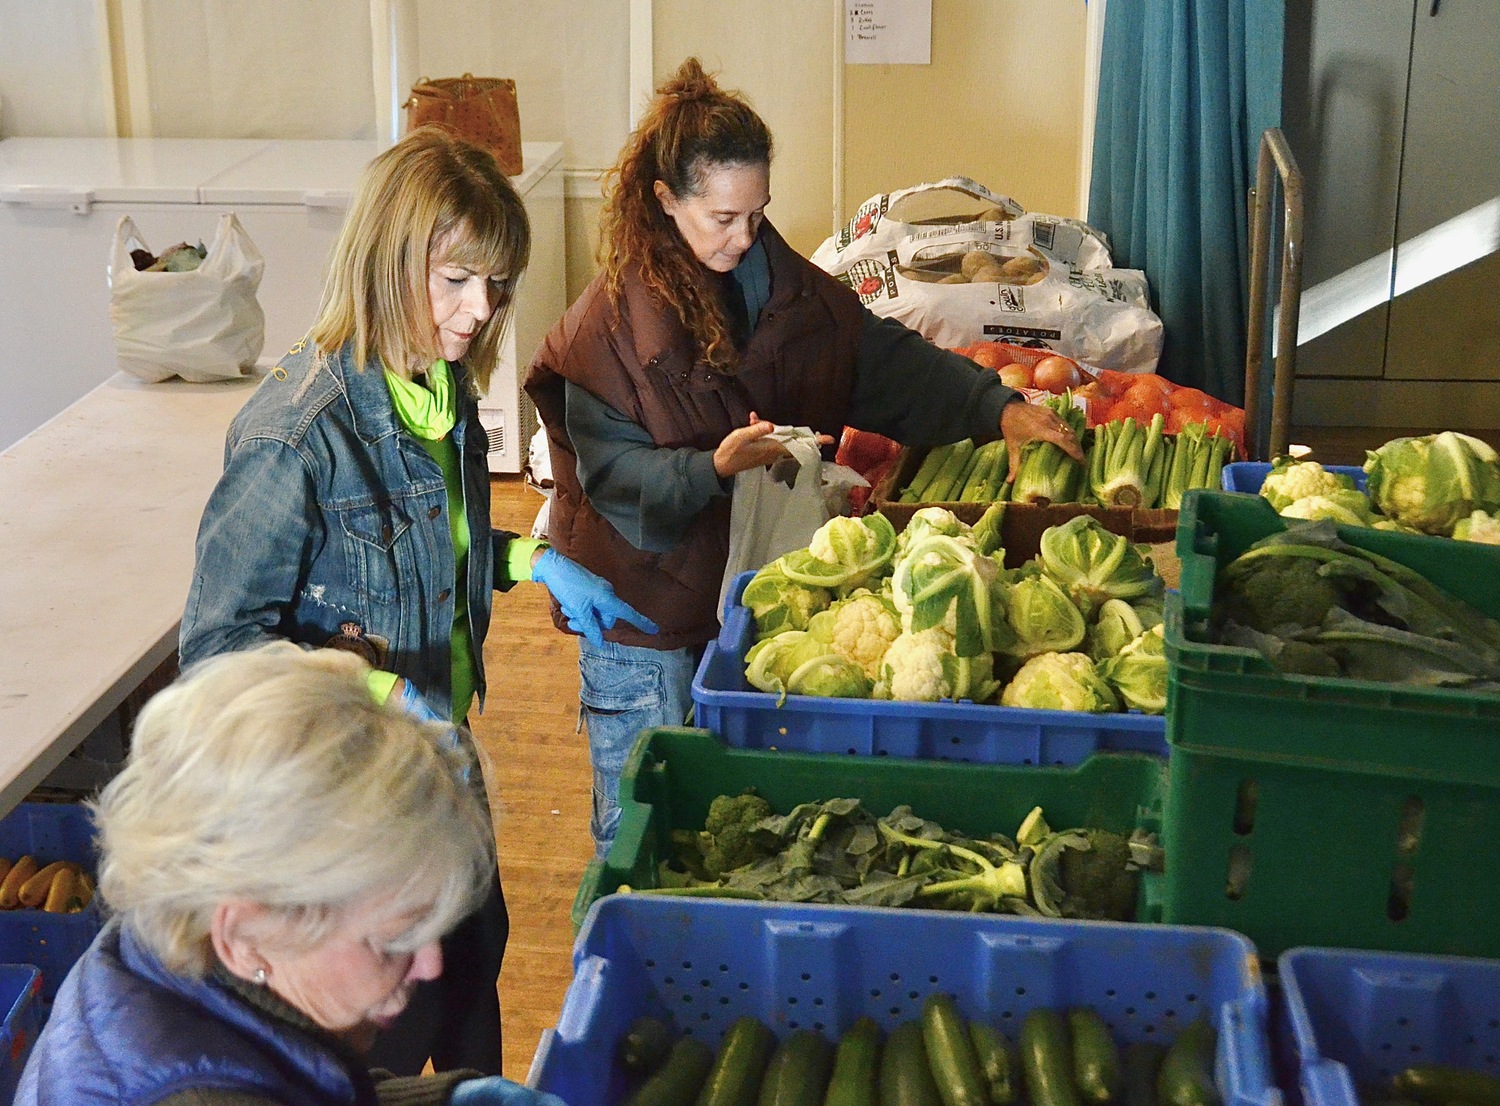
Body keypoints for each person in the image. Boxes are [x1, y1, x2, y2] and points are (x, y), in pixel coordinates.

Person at [179, 127, 655, 1074]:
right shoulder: (296, 437)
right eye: (456, 281)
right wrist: (377, 694)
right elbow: (217, 652)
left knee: (473, 974)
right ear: (387, 259)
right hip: (343, 799)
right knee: (386, 1028)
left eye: (498, 285)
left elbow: (434, 546)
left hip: (439, 766)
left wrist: (532, 561)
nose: (482, 310)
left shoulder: (434, 392)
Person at [525, 58, 1084, 855]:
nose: (744, 236)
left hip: (737, 583)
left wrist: (996, 407)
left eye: (757, 214)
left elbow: (869, 357)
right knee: (639, 825)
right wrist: (711, 468)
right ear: (664, 199)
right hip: (637, 613)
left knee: (727, 816)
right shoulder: (603, 330)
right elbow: (615, 477)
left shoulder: (770, 275)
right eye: (722, 217)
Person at [16, 645, 568, 1106]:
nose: (430, 963)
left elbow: (276, 1071)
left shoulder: (163, 943)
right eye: (391, 939)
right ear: (244, 936)